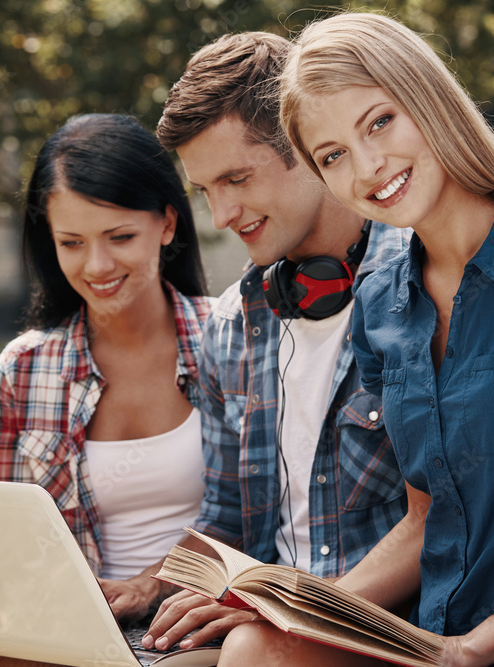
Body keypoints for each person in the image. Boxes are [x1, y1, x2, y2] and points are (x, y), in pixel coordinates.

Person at [215, 12, 494, 667]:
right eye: (333, 155)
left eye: (379, 121)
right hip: (434, 642)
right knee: (256, 648)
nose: (369, 167)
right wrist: (300, 611)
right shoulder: (379, 299)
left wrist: (475, 647)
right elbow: (423, 519)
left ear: (428, 100)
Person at [97, 31, 411, 653]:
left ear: (308, 144)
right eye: (205, 190)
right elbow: (227, 521)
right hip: (264, 626)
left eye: (236, 178)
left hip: (380, 629)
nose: (220, 215)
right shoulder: (231, 327)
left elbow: (451, 529)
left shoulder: (421, 293)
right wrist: (151, 586)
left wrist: (286, 614)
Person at [0, 114, 213, 666]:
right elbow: (10, 542)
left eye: (120, 237)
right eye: (71, 242)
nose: (96, 266)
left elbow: (259, 520)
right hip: (71, 634)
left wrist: (150, 584)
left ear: (168, 223)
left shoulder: (233, 341)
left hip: (192, 629)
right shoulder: (24, 370)